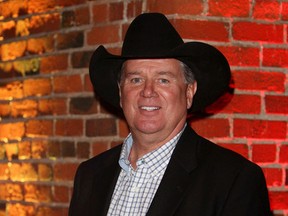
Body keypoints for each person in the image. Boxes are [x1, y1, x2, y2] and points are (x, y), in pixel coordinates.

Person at [69, 13, 272, 216]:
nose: (148, 91)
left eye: (163, 80)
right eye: (136, 79)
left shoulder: (233, 180)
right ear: (121, 94)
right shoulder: (90, 176)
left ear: (189, 92)